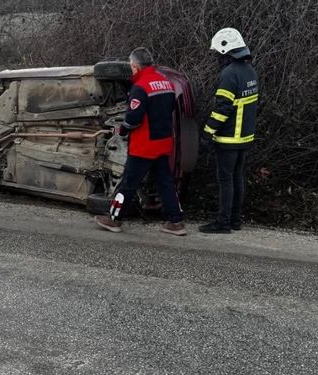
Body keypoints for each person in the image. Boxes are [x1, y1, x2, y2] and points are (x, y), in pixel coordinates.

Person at [94, 47, 186, 236]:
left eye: (131, 65)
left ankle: (114, 219)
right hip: (163, 142)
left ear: (135, 66)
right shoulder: (165, 82)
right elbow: (170, 109)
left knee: (128, 182)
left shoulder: (141, 86)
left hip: (144, 146)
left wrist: (122, 129)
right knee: (165, 182)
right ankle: (175, 222)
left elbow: (133, 118)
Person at [199, 28, 259, 234]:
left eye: (218, 53)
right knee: (237, 178)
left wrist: (207, 133)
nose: (217, 57)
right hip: (245, 137)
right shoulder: (250, 71)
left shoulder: (229, 74)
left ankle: (223, 223)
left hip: (228, 138)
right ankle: (235, 220)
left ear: (226, 51)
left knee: (226, 180)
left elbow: (223, 109)